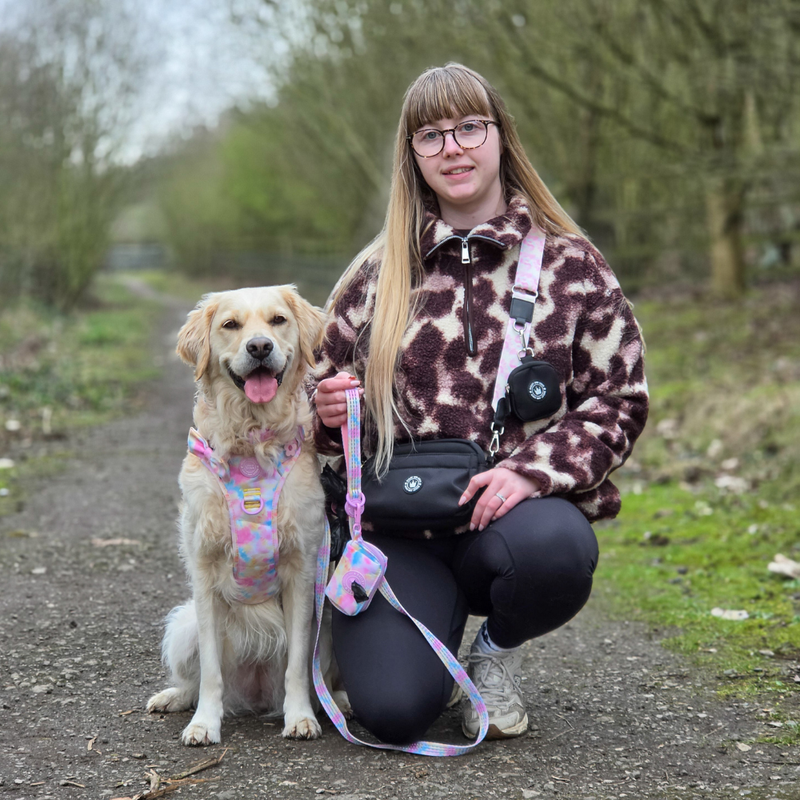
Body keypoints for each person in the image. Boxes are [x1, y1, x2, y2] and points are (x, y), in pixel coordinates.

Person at [311, 63, 648, 745]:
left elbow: (619, 399)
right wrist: (324, 413)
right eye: (431, 136)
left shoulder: (571, 265)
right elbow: (307, 409)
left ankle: (493, 649)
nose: (453, 148)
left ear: (500, 137)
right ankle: (426, 639)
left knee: (558, 547)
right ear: (413, 155)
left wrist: (533, 470)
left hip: (509, 526)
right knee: (394, 711)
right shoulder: (374, 276)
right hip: (397, 532)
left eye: (469, 127)